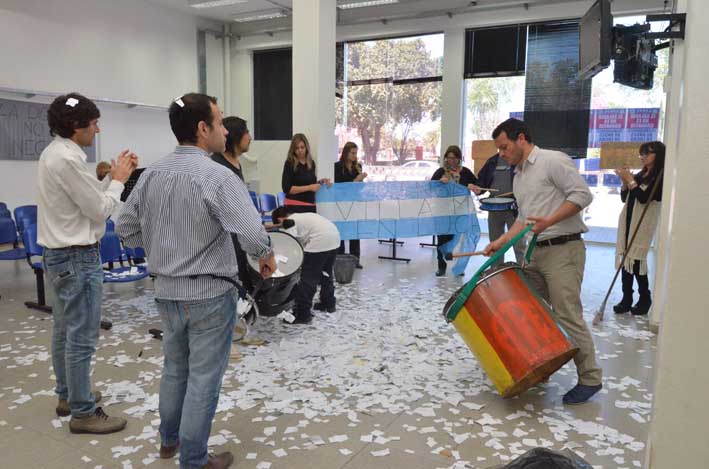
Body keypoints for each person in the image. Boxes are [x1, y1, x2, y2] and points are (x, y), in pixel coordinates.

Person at [117, 93, 276, 469]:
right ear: (203, 129)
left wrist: (160, 245)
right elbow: (252, 232)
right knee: (204, 377)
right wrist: (265, 255)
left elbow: (125, 230)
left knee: (175, 369)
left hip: (166, 292)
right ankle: (194, 459)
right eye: (220, 122)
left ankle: (169, 442)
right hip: (208, 293)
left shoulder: (152, 174)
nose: (225, 129)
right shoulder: (217, 176)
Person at [482, 118, 602, 405]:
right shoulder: (519, 174)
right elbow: (523, 219)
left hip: (563, 250)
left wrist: (550, 220)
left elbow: (583, 195)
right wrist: (500, 244)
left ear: (521, 138)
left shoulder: (553, 161)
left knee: (566, 314)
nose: (502, 153)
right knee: (528, 308)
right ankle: (541, 364)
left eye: (504, 147)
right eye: (499, 149)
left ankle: (590, 377)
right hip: (535, 252)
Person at [37, 92, 137, 434]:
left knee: (65, 330)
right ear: (75, 126)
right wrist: (120, 180)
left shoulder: (57, 154)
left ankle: (69, 394)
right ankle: (82, 411)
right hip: (77, 256)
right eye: (93, 123)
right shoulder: (66, 159)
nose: (97, 129)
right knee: (81, 337)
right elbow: (99, 210)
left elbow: (89, 199)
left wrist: (111, 178)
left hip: (62, 255)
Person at [613, 141, 665, 316]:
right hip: (628, 219)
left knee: (635, 261)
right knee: (626, 259)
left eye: (647, 153)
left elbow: (644, 198)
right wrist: (625, 182)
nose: (643, 157)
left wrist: (630, 180)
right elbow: (625, 198)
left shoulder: (660, 176)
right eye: (642, 154)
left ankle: (645, 298)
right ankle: (627, 298)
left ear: (658, 155)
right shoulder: (642, 174)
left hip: (642, 224)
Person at [271, 206, 340, 324]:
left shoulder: (289, 221)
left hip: (320, 241)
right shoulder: (303, 216)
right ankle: (328, 303)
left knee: (308, 278)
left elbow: (291, 241)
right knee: (326, 272)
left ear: (280, 219)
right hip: (334, 238)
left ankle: (302, 314)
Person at [211, 116, 254, 292]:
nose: (250, 137)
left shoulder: (235, 163)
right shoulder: (217, 166)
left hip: (238, 239)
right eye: (247, 133)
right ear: (236, 137)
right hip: (225, 242)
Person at [431, 145, 478, 277]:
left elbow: (477, 186)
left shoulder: (466, 172)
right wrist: (439, 182)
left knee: (458, 240)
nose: (451, 160)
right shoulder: (440, 172)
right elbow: (431, 187)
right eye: (449, 158)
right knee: (442, 240)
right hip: (443, 212)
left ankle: (459, 266)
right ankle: (441, 266)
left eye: (454, 158)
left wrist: (471, 186)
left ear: (459, 159)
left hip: (460, 212)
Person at [472, 152, 525, 266]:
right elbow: (482, 182)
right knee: (495, 244)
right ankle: (496, 274)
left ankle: (524, 273)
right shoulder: (492, 161)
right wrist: (478, 189)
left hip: (514, 209)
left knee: (519, 244)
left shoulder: (518, 160)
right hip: (494, 207)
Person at [334, 142, 367, 269]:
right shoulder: (337, 167)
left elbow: (358, 188)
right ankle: (340, 257)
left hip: (354, 202)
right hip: (341, 202)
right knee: (341, 231)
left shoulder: (357, 167)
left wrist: (361, 181)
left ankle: (355, 258)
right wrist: (355, 180)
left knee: (355, 231)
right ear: (346, 153)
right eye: (352, 153)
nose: (354, 156)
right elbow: (339, 186)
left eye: (356, 153)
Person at [281, 133, 331, 213]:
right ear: (293, 150)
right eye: (297, 148)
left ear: (306, 147)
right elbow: (287, 188)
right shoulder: (289, 163)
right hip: (295, 206)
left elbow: (311, 184)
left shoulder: (311, 163)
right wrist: (309, 187)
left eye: (302, 147)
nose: (300, 150)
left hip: (310, 206)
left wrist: (321, 182)